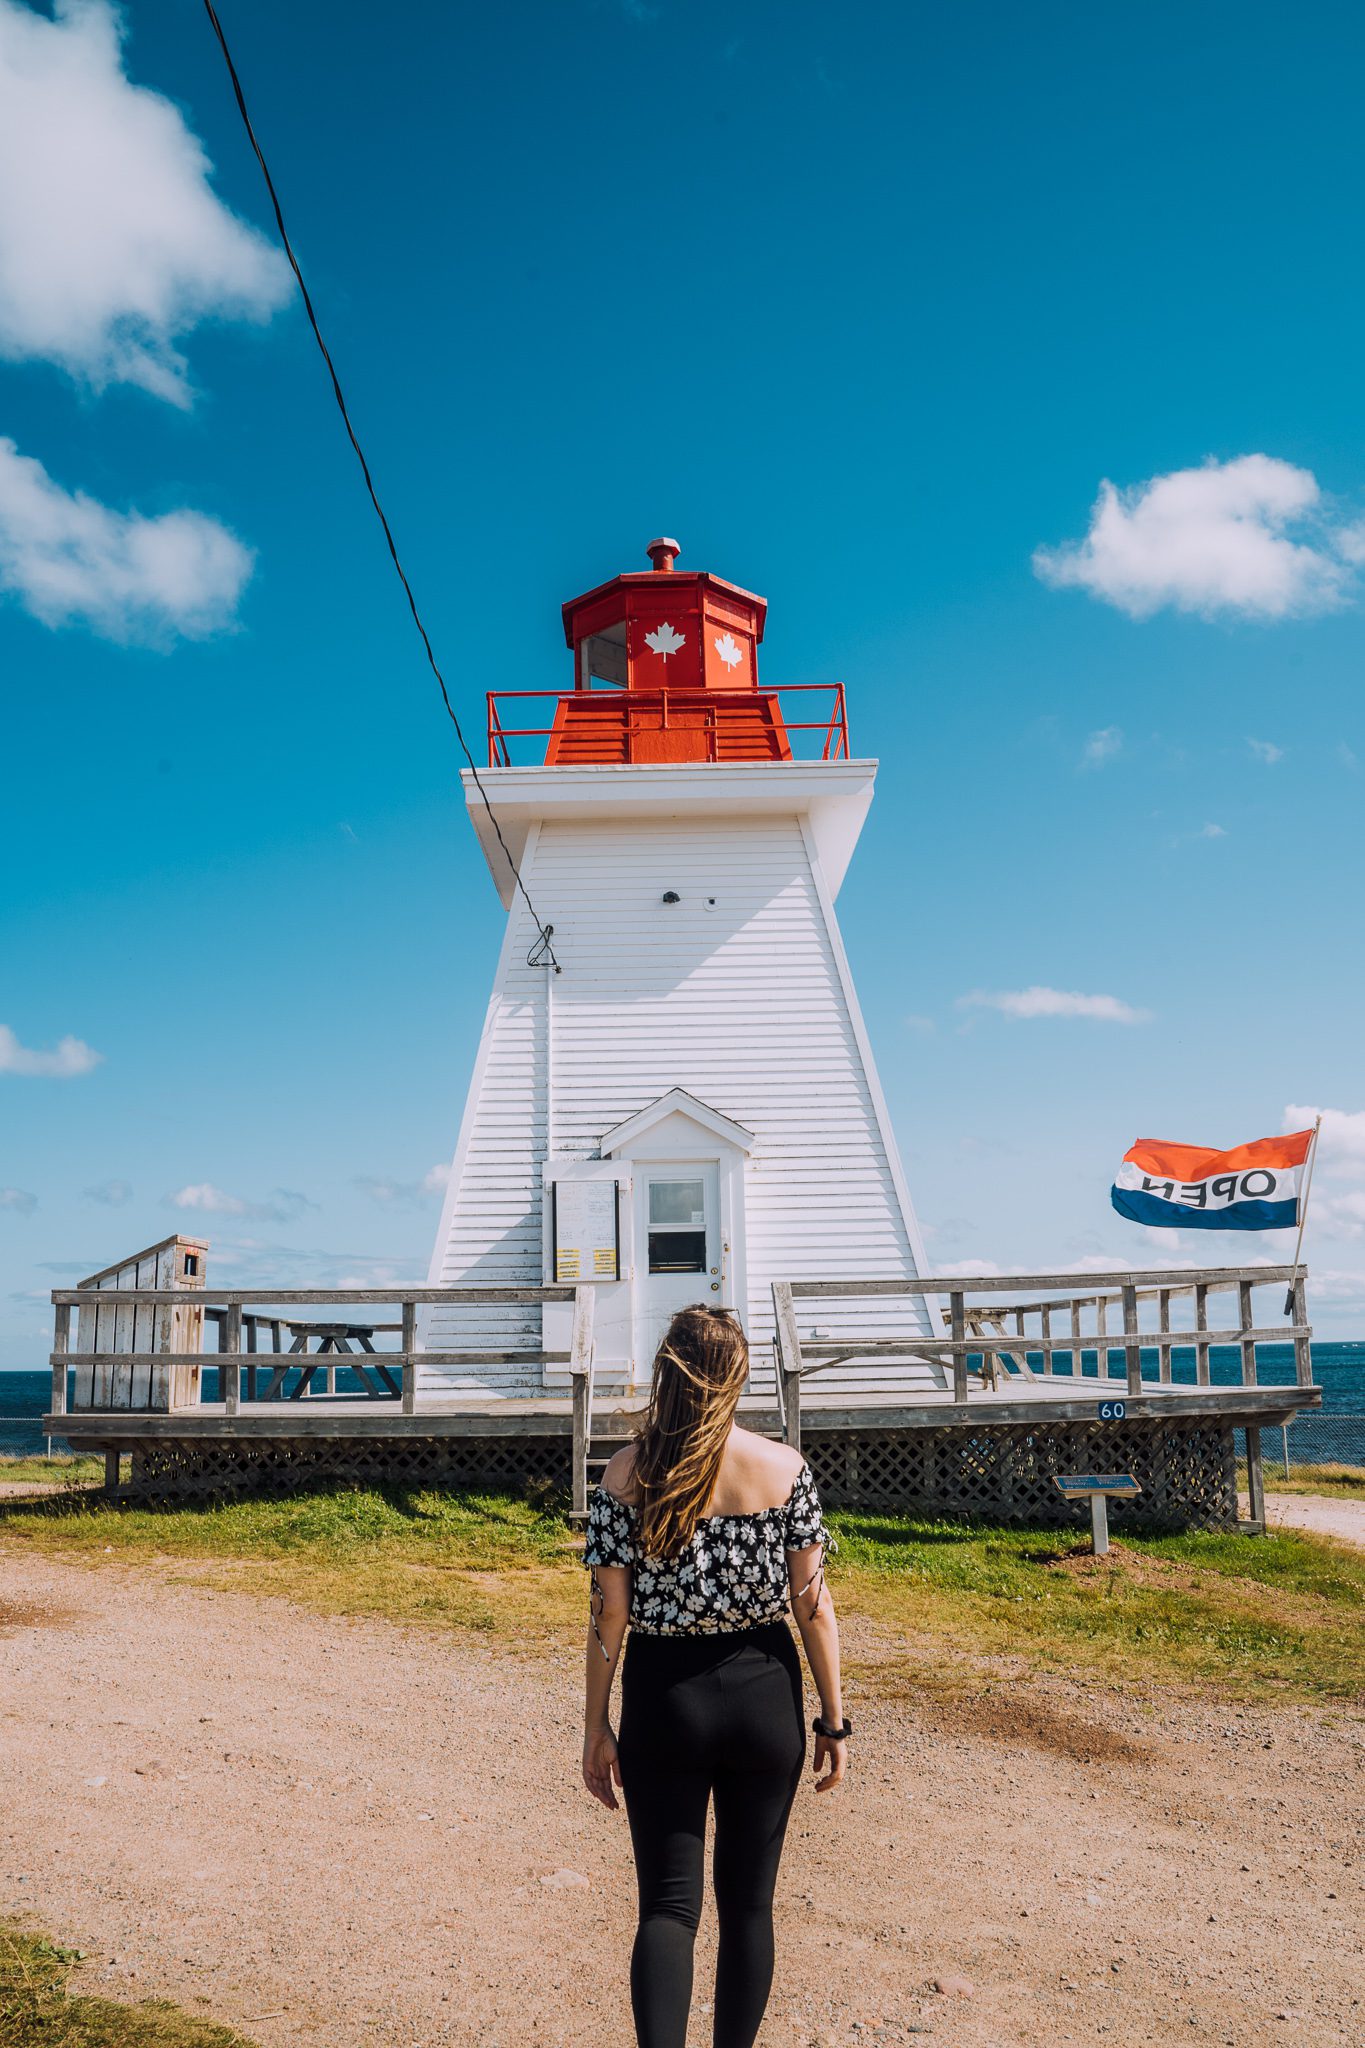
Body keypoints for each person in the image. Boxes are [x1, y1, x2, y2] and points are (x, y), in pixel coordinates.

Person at [581, 1303, 848, 2048]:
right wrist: (833, 1719)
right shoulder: (783, 1468)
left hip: (666, 1699)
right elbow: (813, 1608)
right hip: (763, 1692)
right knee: (749, 1908)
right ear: (737, 1377)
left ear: (667, 1369)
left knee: (668, 1908)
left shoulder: (627, 1474)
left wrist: (595, 1725)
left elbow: (609, 1616)